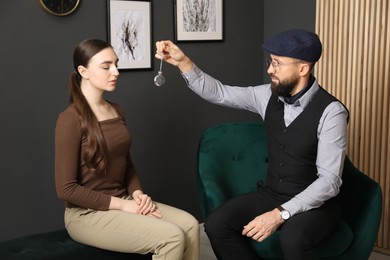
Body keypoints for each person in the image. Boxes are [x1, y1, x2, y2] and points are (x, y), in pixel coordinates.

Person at [155, 29, 349, 260]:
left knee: (293, 239)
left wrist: (279, 215)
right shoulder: (266, 95)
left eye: (277, 63)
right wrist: (184, 63)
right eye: (270, 61)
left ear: (303, 68)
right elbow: (219, 93)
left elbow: (329, 182)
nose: (269, 70)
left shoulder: (332, 112)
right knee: (217, 224)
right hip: (273, 194)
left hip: (317, 205)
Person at [55, 39, 199, 260]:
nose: (116, 71)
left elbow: (126, 164)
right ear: (83, 71)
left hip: (124, 199)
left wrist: (138, 194)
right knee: (172, 237)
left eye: (116, 64)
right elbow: (66, 189)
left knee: (190, 225)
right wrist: (123, 205)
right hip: (86, 214)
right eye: (106, 66)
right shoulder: (69, 119)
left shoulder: (116, 110)